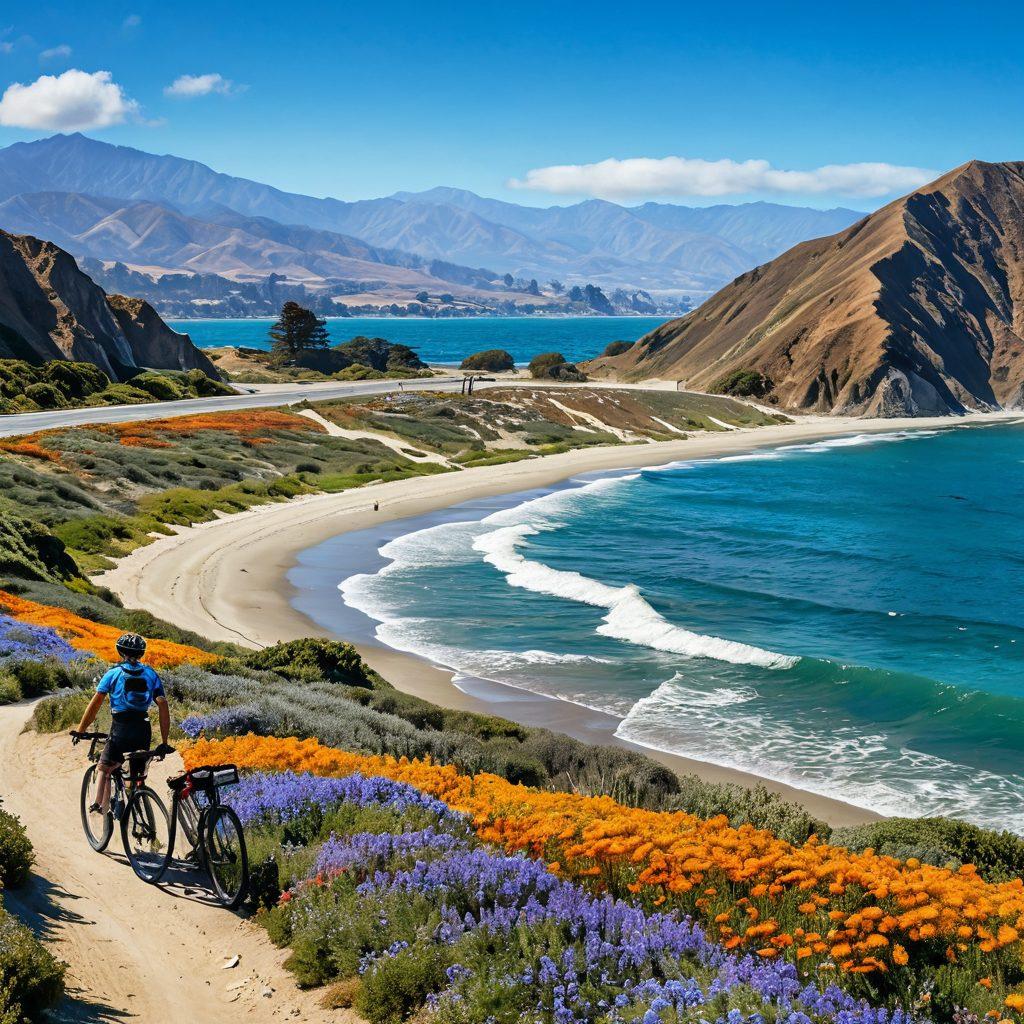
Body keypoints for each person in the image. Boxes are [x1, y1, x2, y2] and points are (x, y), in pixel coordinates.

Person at [72, 633, 172, 816]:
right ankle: (136, 801)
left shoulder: (113, 673)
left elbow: (95, 705)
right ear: (141, 653)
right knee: (135, 774)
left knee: (104, 766)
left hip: (121, 728)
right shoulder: (151, 674)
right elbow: (163, 705)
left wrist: (81, 730)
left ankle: (97, 806)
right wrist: (164, 740)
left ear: (120, 652)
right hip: (143, 729)